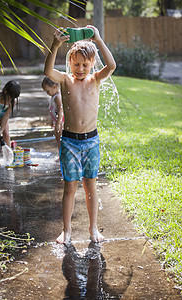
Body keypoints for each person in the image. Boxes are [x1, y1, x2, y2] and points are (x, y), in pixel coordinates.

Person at [44, 25, 116, 244]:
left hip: (91, 141)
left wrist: (99, 40)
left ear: (92, 63)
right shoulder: (65, 80)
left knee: (91, 186)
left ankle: (93, 228)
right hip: (70, 142)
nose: (81, 68)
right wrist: (55, 45)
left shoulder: (96, 79)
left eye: (85, 64)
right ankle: (66, 231)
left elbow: (111, 65)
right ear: (70, 63)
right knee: (70, 187)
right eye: (76, 64)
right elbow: (48, 71)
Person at [0, 80, 21, 166]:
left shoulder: (12, 101)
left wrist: (2, 128)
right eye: (10, 97)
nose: (11, 99)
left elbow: (6, 115)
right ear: (5, 91)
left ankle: (9, 157)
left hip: (2, 117)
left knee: (6, 134)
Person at [41, 76, 64, 150]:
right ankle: (59, 154)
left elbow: (60, 109)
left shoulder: (57, 97)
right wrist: (52, 120)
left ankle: (62, 155)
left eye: (48, 91)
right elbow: (53, 110)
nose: (47, 93)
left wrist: (58, 122)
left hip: (61, 122)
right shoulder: (53, 96)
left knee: (60, 139)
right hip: (57, 121)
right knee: (57, 138)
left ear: (54, 87)